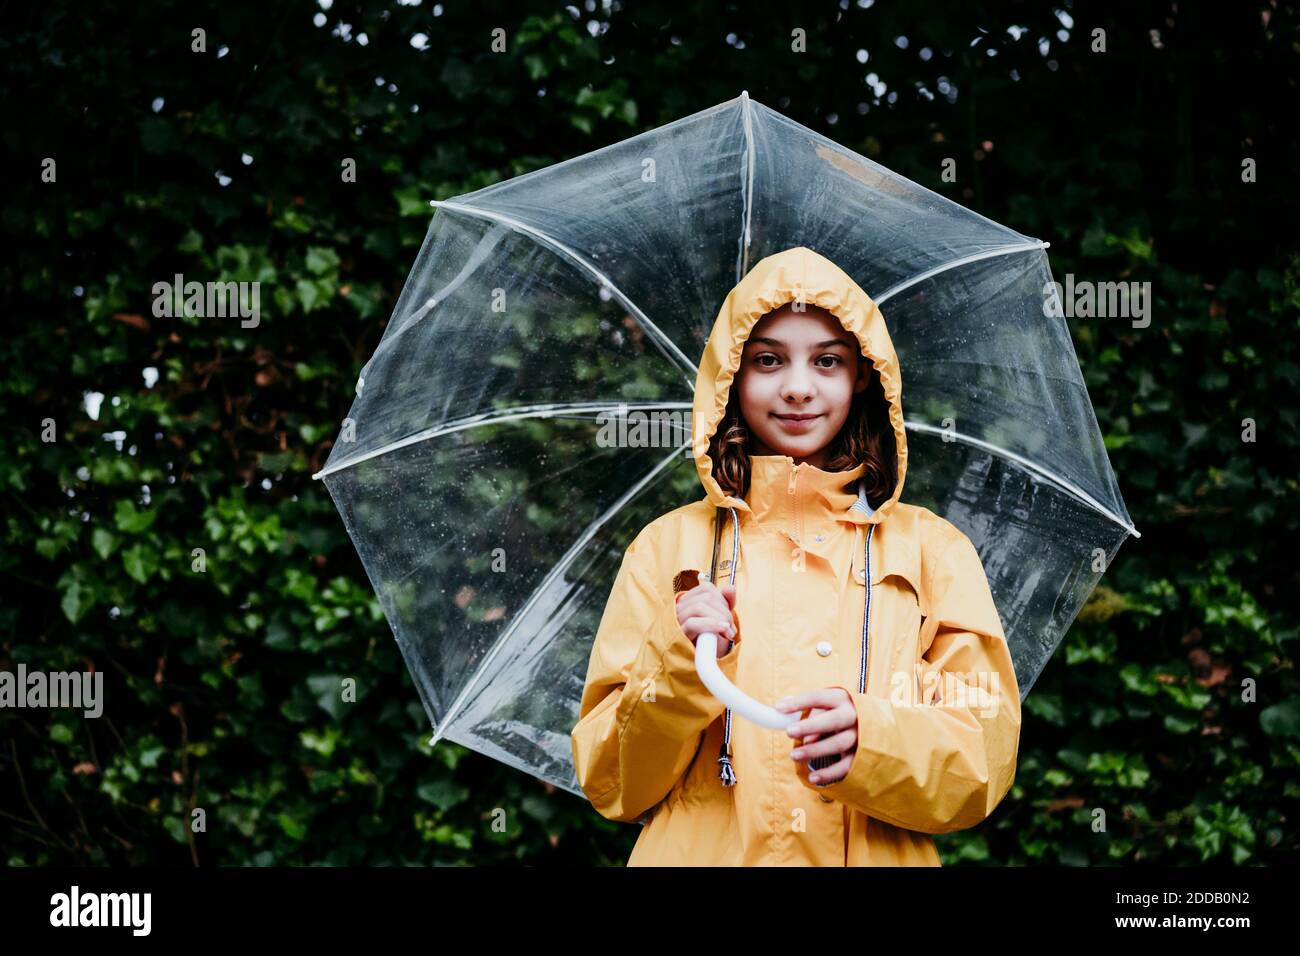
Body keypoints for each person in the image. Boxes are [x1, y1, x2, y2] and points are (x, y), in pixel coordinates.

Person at [570, 246, 1021, 866]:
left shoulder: (933, 552)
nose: (799, 389)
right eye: (768, 360)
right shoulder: (668, 550)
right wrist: (680, 657)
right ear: (733, 374)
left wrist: (876, 739)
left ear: (863, 375)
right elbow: (613, 782)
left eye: (828, 361)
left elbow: (980, 766)